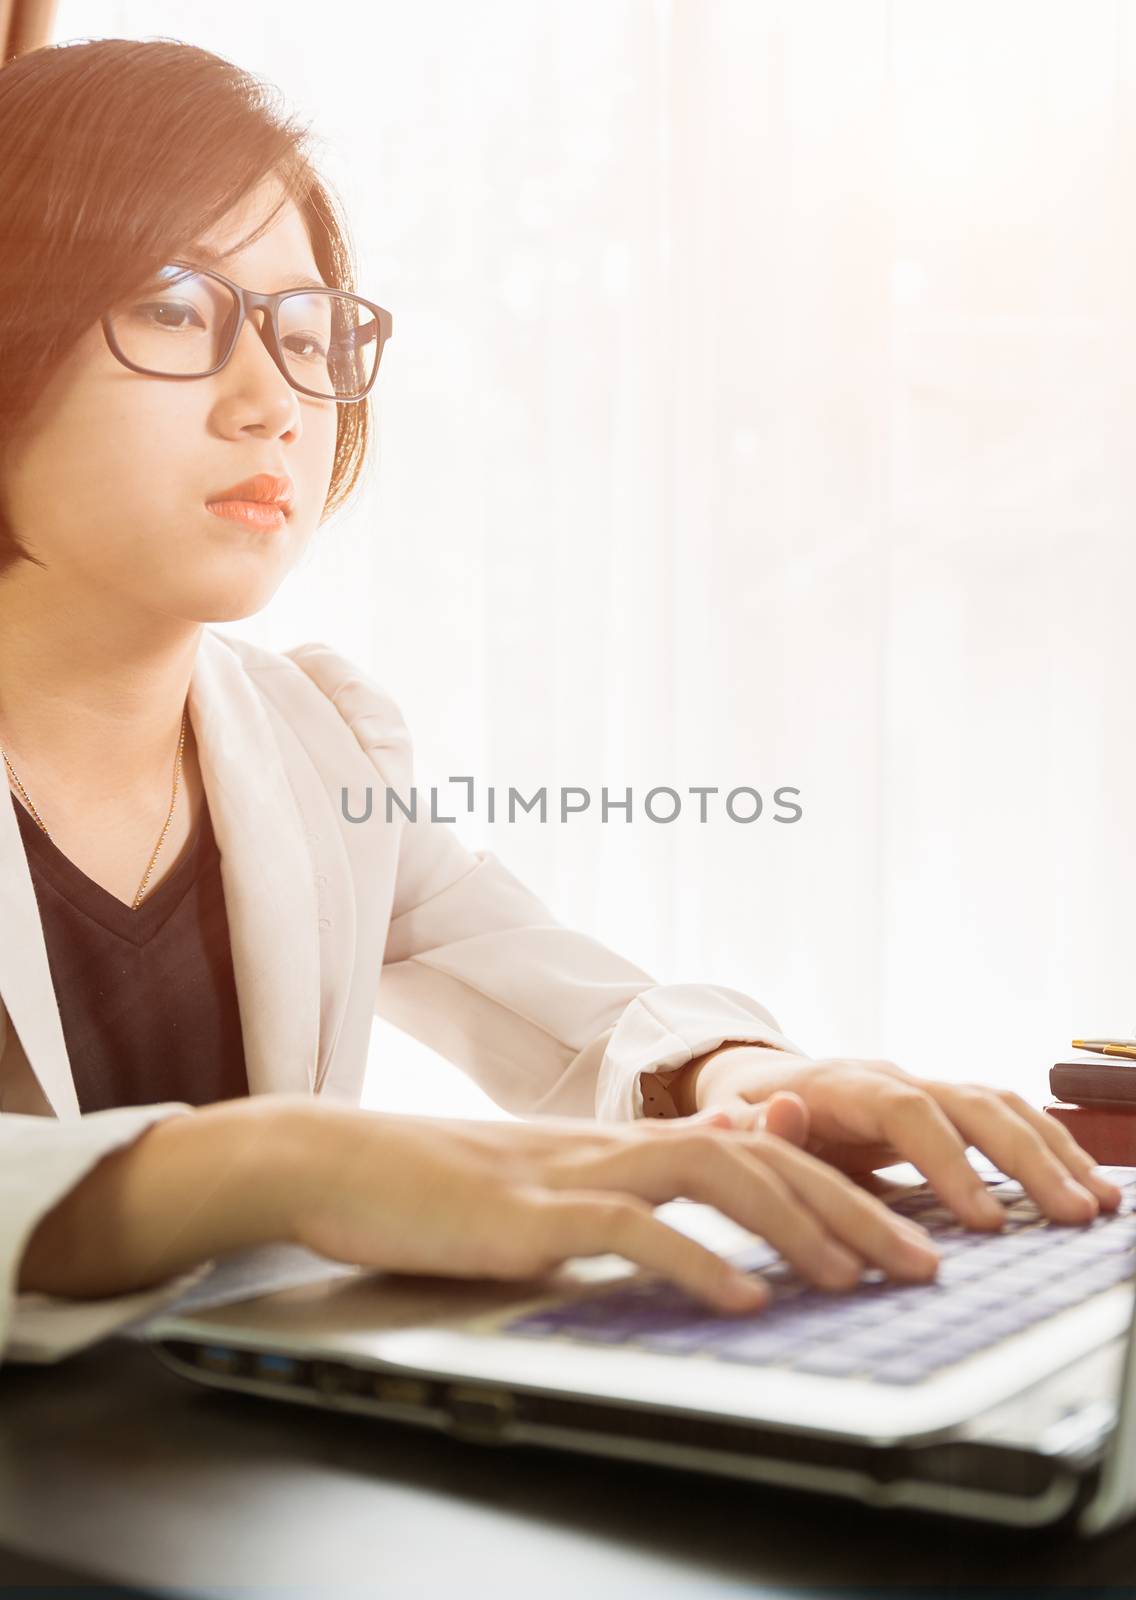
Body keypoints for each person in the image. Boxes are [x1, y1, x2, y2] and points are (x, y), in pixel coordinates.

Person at [0, 37, 1119, 1367]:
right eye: (179, 309)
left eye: (308, 333)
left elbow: (566, 1012)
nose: (275, 403)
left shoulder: (314, 739)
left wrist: (744, 1082)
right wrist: (279, 1159)